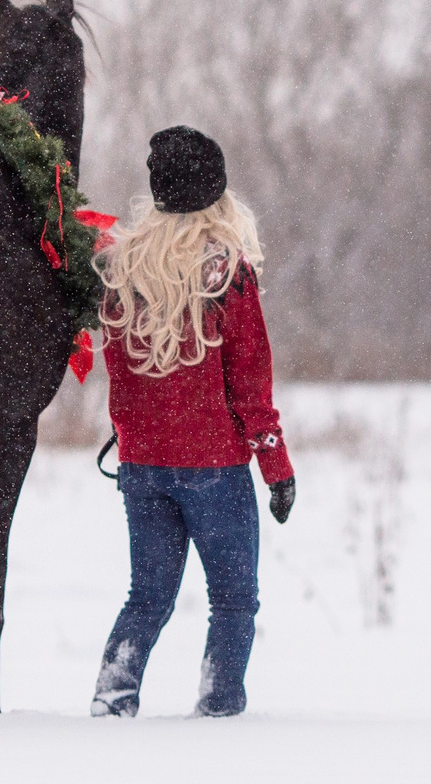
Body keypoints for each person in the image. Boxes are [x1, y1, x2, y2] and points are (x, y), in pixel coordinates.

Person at [90, 126, 295, 718]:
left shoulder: (121, 271)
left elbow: (124, 377)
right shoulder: (226, 274)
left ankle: (111, 700)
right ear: (218, 195)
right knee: (233, 601)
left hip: (142, 467)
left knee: (146, 597)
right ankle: (219, 711)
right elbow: (251, 385)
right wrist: (276, 468)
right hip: (215, 469)